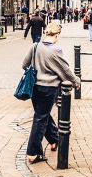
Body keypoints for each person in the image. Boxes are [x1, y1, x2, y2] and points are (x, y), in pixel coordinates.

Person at [20, 21, 80, 164]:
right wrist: (76, 82)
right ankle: (33, 153)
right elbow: (65, 70)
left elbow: (24, 65)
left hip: (34, 87)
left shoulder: (35, 46)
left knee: (42, 114)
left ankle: (54, 139)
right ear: (57, 34)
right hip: (49, 88)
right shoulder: (56, 50)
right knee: (40, 118)